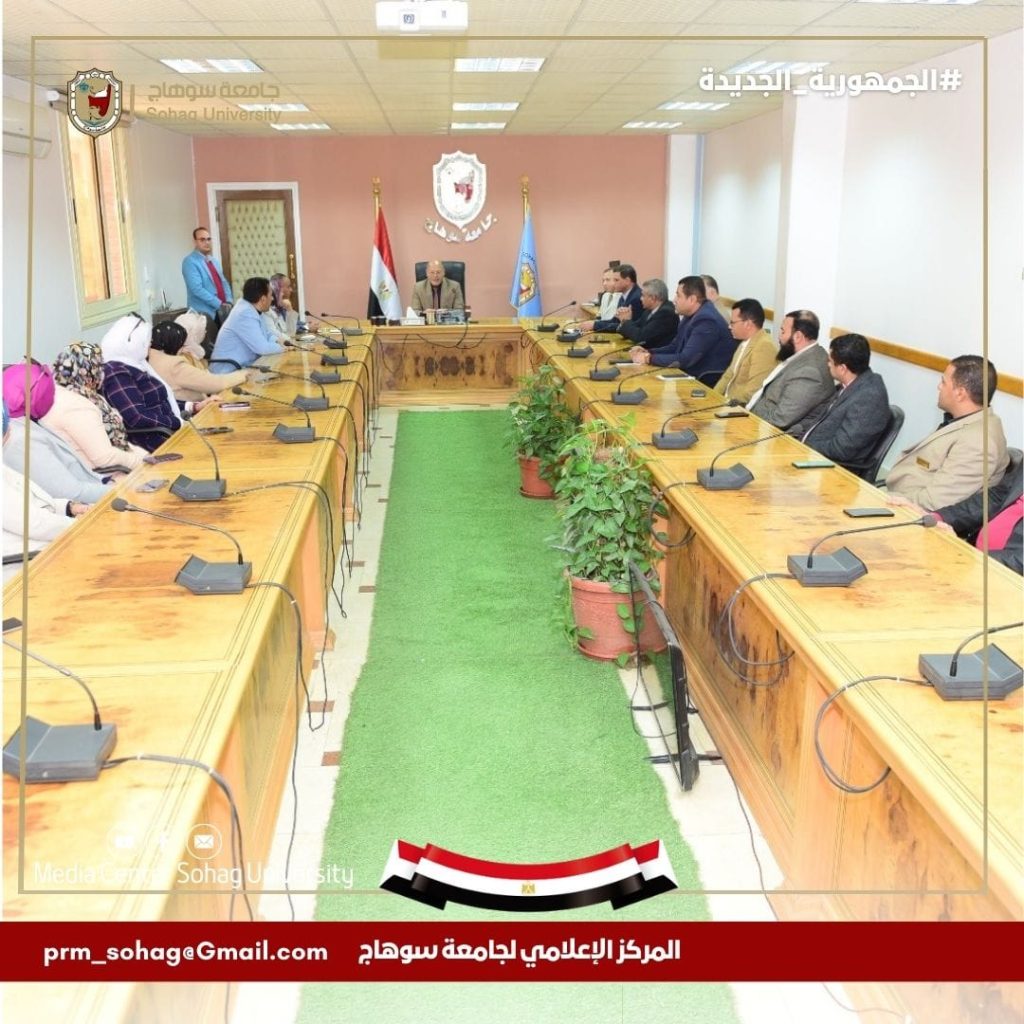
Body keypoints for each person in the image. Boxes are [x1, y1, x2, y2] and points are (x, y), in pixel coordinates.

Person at [886, 355, 1009, 508]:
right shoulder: (967, 421)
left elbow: (933, 503)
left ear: (960, 393)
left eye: (943, 382)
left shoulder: (979, 443)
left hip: (908, 510)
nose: (939, 387)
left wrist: (884, 499)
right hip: (899, 497)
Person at [890, 457, 1023, 575]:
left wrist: (967, 556)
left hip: (1003, 576)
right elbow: (997, 496)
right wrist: (937, 518)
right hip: (973, 558)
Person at [2, 401, 90, 578]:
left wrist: (68, 508)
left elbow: (33, 502)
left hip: (48, 548)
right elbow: (33, 523)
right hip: (29, 565)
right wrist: (81, 525)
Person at [789, 333, 891, 474]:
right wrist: (794, 434)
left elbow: (841, 450)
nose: (828, 364)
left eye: (830, 361)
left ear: (842, 368)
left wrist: (803, 444)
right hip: (810, 454)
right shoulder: (852, 383)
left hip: (830, 468)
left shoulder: (869, 397)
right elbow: (819, 417)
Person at [42, 342, 148, 472]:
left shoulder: (76, 392)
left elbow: (119, 442)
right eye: (98, 366)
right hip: (111, 475)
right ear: (87, 370)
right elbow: (105, 458)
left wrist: (146, 457)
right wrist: (143, 464)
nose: (102, 372)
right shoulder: (76, 406)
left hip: (121, 463)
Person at [629, 275, 735, 385]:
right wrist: (647, 352)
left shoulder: (706, 320)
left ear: (692, 299)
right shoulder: (691, 314)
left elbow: (686, 358)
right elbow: (675, 347)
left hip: (705, 381)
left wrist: (649, 359)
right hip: (689, 375)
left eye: (678, 295)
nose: (674, 300)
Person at [100, 314, 183, 452]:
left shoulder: (138, 364)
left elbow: (160, 400)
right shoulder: (116, 373)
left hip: (166, 432)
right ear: (134, 342)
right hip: (151, 442)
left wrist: (192, 406)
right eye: (146, 340)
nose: (150, 344)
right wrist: (176, 422)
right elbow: (137, 417)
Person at [747, 309, 835, 429]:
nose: (779, 336)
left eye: (783, 331)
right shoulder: (807, 354)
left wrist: (749, 413)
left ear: (798, 336)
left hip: (767, 431)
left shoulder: (810, 372)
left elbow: (779, 420)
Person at [149, 321, 247, 409]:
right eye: (181, 345)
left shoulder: (149, 359)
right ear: (172, 343)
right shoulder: (174, 365)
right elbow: (215, 384)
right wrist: (243, 375)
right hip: (192, 413)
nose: (183, 349)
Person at [210, 277, 287, 371]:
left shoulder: (253, 309)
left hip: (245, 366)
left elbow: (267, 334)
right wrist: (282, 348)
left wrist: (278, 341)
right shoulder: (244, 314)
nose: (272, 298)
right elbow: (263, 348)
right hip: (228, 371)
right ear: (263, 299)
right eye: (270, 295)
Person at [713, 299, 778, 405]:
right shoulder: (745, 342)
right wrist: (712, 397)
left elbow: (753, 392)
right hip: (726, 402)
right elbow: (728, 376)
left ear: (748, 324)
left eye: (733, 323)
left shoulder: (764, 347)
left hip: (739, 407)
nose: (729, 326)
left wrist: (724, 404)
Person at [182, 226, 233, 320]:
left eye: (209, 239)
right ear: (195, 242)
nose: (207, 242)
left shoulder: (214, 261)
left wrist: (229, 301)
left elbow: (224, 282)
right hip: (203, 315)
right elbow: (197, 289)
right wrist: (219, 304)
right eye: (202, 240)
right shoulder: (190, 261)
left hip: (223, 312)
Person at [614, 278, 679, 350]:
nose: (640, 298)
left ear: (653, 298)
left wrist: (626, 321)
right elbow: (636, 328)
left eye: (643, 295)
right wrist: (624, 321)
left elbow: (641, 338)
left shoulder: (666, 313)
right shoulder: (649, 310)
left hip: (658, 354)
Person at [578, 264, 642, 334]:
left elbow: (626, 326)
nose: (613, 283)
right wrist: (593, 323)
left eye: (616, 280)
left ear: (627, 280)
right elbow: (615, 321)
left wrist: (595, 325)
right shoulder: (623, 296)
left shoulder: (637, 298)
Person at [263, 273, 299, 340]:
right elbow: (278, 336)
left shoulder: (279, 308)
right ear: (277, 290)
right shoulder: (266, 311)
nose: (291, 290)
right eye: (288, 287)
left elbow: (291, 333)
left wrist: (289, 309)